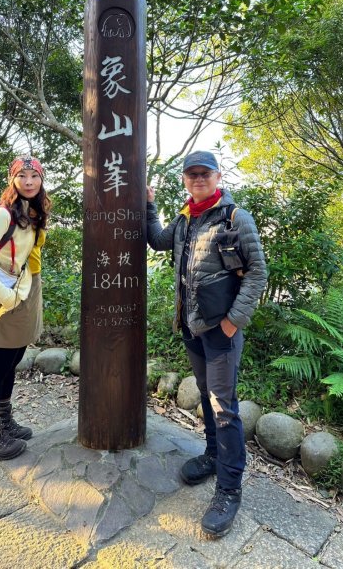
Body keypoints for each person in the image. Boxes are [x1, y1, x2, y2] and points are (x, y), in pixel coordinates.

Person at [147, 150, 267, 537]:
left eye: (205, 173)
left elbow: (258, 273)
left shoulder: (235, 218)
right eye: (192, 174)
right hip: (192, 326)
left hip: (221, 330)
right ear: (185, 179)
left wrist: (234, 322)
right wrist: (149, 206)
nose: (198, 179)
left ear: (217, 177)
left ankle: (229, 491)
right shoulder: (185, 218)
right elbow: (158, 241)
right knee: (205, 395)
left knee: (224, 407)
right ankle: (214, 456)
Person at [0, 155, 51, 460]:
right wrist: (5, 298)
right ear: (12, 180)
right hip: (7, 296)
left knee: (13, 360)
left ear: (41, 180)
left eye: (35, 176)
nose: (29, 182)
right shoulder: (4, 215)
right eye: (22, 176)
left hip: (24, 289)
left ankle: (4, 421)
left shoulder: (32, 210)